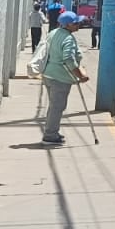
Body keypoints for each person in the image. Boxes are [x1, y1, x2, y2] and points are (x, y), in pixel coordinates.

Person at [41, 10, 89, 145]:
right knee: (57, 106)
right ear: (68, 25)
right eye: (76, 23)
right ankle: (50, 135)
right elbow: (68, 58)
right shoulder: (67, 38)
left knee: (54, 106)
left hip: (49, 74)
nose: (78, 25)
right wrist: (80, 75)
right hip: (60, 77)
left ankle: (52, 131)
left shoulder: (53, 33)